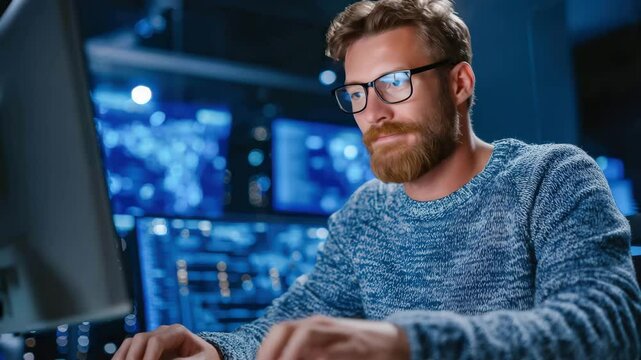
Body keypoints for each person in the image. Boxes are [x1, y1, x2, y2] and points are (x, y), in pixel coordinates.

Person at [112, 0, 641, 359]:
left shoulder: (551, 176)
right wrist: (217, 350)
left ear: (459, 82)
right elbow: (293, 322)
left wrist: (401, 344)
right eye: (358, 92)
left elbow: (602, 326)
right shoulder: (367, 212)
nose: (373, 112)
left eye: (393, 83)